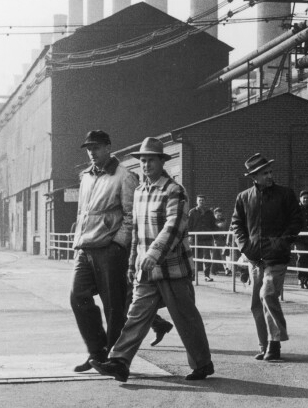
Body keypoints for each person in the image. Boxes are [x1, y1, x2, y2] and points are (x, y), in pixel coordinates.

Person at [93, 137, 213, 382]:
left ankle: (202, 364)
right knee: (135, 316)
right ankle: (119, 362)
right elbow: (137, 232)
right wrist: (132, 263)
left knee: (185, 318)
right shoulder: (139, 191)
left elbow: (174, 227)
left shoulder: (174, 191)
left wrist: (153, 254)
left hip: (173, 270)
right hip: (146, 270)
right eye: (143, 160)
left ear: (161, 161)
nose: (146, 165)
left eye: (151, 160)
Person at [69, 130, 172, 373]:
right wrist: (77, 244)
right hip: (85, 248)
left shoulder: (124, 177)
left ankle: (114, 359)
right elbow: (81, 214)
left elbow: (130, 216)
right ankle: (96, 352)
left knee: (114, 307)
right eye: (89, 148)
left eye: (96, 148)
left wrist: (118, 245)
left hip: (109, 250)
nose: (92, 153)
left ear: (108, 148)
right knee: (77, 297)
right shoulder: (85, 177)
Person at [231, 153, 302, 361]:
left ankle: (275, 343)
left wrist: (281, 242)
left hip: (277, 257)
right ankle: (264, 345)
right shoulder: (244, 197)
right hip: (255, 258)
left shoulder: (286, 194)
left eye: (270, 172)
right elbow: (237, 225)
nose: (269, 176)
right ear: (254, 177)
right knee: (256, 302)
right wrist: (245, 247)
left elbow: (296, 221)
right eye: (264, 173)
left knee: (268, 294)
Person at [188, 195, 218, 281]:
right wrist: (190, 236)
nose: (201, 201)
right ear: (197, 202)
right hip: (195, 238)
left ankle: (206, 275)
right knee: (193, 257)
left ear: (205, 201)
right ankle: (192, 275)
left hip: (207, 237)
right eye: (199, 200)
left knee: (207, 257)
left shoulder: (209, 212)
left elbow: (213, 225)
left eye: (203, 200)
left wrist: (215, 237)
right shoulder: (192, 212)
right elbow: (189, 225)